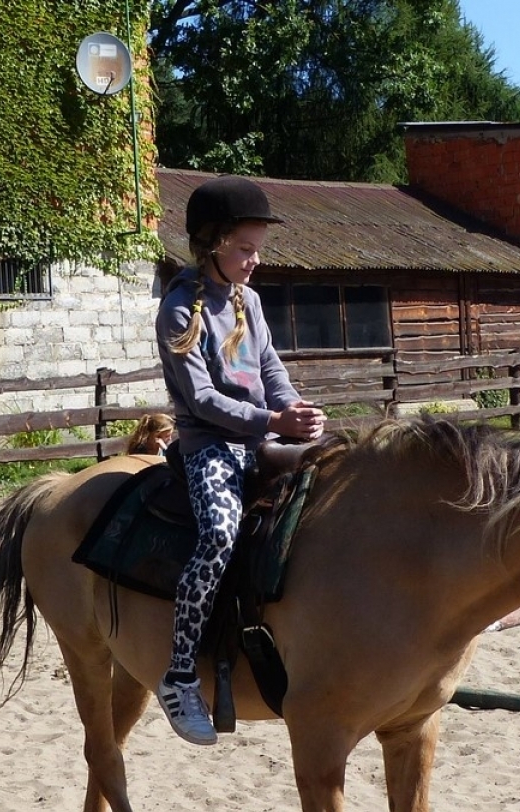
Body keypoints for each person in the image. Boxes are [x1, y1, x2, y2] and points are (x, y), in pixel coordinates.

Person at [152, 175, 325, 745]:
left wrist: (295, 407)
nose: (255, 261)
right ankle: (179, 675)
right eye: (246, 249)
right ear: (213, 244)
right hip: (208, 445)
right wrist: (275, 422)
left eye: (257, 250)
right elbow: (201, 400)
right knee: (220, 533)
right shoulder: (180, 311)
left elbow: (270, 368)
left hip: (259, 436)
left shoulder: (249, 300)